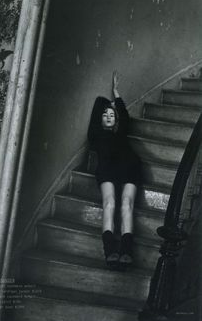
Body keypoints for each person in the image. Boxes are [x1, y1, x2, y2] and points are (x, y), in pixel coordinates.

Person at [88, 71, 142, 268]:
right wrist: (103, 104)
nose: (109, 117)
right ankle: (110, 251)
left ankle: (126, 251)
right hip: (107, 169)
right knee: (109, 203)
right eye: (106, 115)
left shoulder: (121, 131)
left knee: (126, 204)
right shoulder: (95, 135)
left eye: (112, 115)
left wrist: (116, 93)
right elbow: (96, 116)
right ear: (100, 118)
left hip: (130, 166)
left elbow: (125, 117)